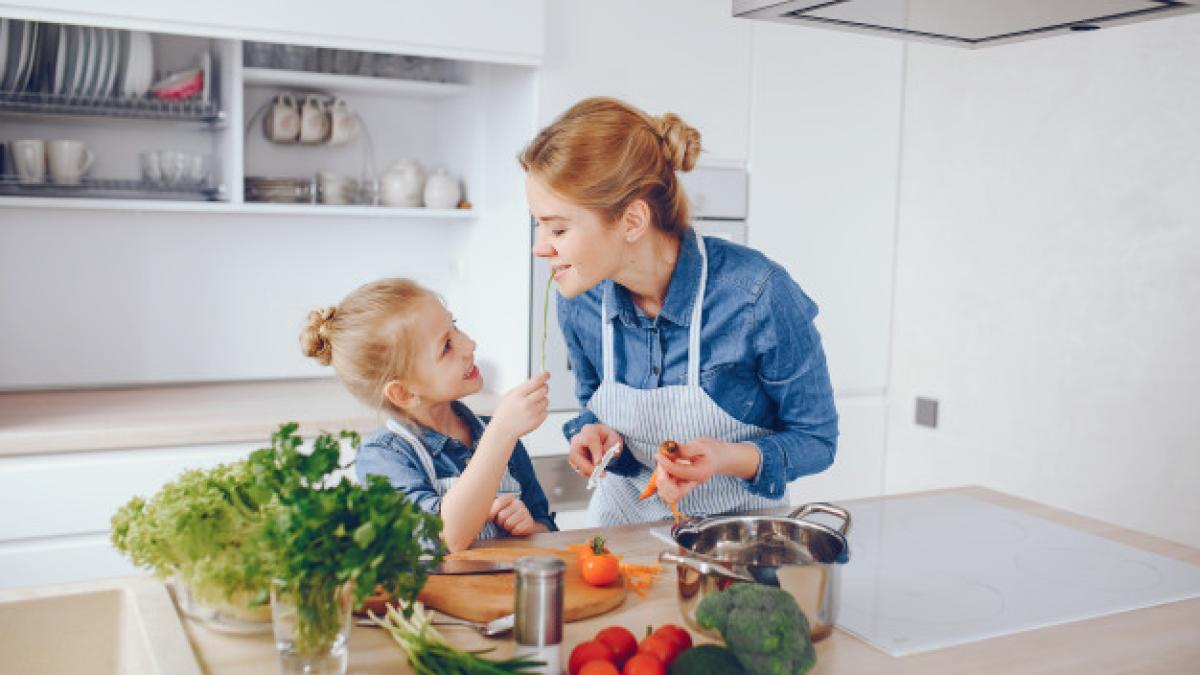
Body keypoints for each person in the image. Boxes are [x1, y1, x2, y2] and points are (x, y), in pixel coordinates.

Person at [520, 97, 839, 526]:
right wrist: (592, 435)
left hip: (734, 541)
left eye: (558, 228)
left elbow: (816, 441)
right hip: (621, 532)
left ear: (632, 221)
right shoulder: (580, 300)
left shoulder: (757, 295)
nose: (541, 246)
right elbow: (592, 405)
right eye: (538, 225)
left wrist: (726, 457)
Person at [301, 278, 556, 552]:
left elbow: (548, 530)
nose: (469, 344)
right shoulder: (384, 457)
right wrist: (500, 435)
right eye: (446, 346)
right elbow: (443, 538)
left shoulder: (496, 432)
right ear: (404, 393)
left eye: (455, 326)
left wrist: (529, 529)